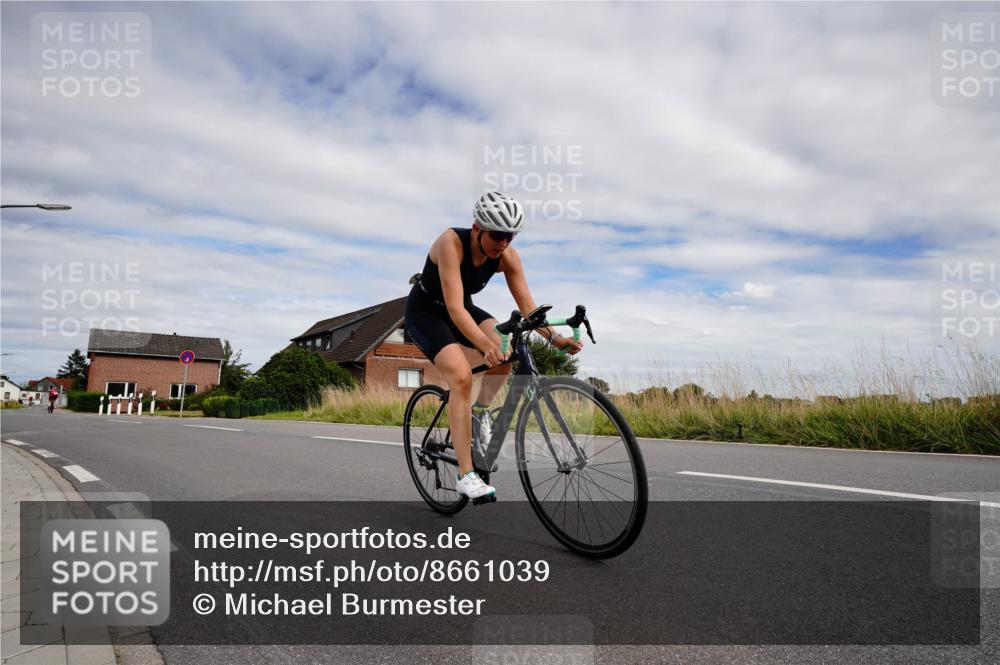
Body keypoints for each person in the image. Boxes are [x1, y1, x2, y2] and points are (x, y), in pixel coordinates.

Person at [404, 191, 583, 502]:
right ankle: (466, 475)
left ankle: (478, 412)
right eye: (497, 235)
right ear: (478, 229)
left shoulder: (507, 256)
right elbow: (455, 309)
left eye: (510, 236)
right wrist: (484, 344)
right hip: (427, 313)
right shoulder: (451, 243)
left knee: (507, 353)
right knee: (461, 376)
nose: (503, 243)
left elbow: (528, 307)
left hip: (462, 309)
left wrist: (555, 339)